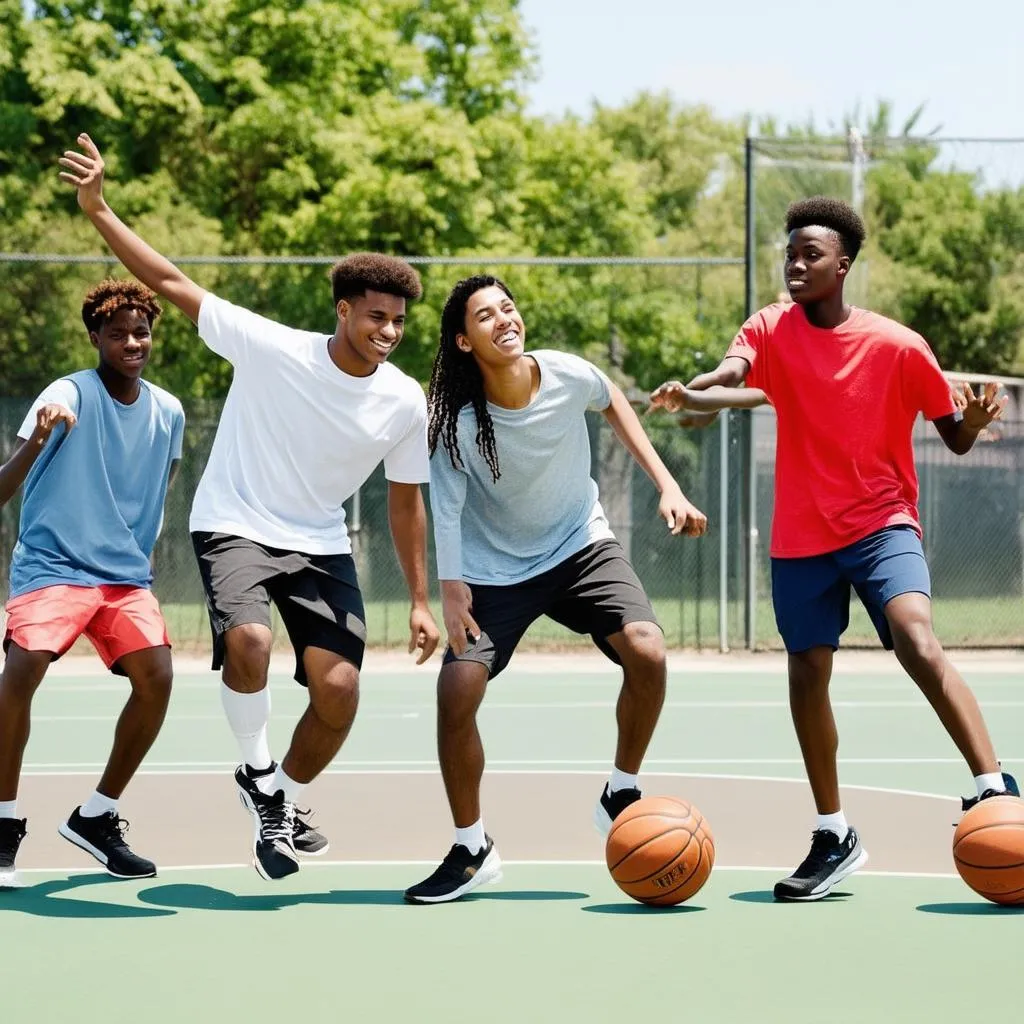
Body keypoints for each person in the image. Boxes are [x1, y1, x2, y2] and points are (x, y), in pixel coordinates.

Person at [59, 133, 441, 882]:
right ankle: (261, 773)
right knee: (252, 648)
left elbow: (405, 503)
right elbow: (168, 281)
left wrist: (421, 600)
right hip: (234, 521)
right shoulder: (271, 348)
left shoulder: (403, 400)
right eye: (375, 317)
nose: (388, 332)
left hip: (319, 541)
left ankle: (279, 798)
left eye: (398, 321)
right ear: (343, 311)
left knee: (339, 692)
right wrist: (99, 208)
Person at [650, 195, 1019, 902]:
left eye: (810, 254)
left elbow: (954, 436)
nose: (795, 263)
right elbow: (732, 375)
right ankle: (833, 833)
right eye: (789, 252)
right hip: (802, 533)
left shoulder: (899, 346)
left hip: (882, 523)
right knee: (806, 672)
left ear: (843, 264)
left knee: (915, 636)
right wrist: (693, 391)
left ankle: (993, 784)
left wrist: (970, 419)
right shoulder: (770, 327)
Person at [404, 275, 707, 904]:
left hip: (578, 545)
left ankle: (621, 785)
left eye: (507, 308)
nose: (503, 320)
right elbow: (449, 512)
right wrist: (451, 591)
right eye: (485, 317)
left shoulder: (567, 374)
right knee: (457, 692)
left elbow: (614, 401)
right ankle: (470, 847)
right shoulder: (456, 425)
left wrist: (667, 485)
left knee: (647, 648)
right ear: (464, 341)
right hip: (495, 571)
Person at [0, 279, 184, 887]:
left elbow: (161, 487)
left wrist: (137, 553)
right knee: (22, 671)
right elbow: (4, 488)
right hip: (53, 565)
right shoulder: (66, 393)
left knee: (156, 676)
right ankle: (3, 820)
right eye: (118, 333)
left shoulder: (169, 410)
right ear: (94, 338)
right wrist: (41, 438)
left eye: (142, 332)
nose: (133, 342)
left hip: (122, 576)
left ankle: (97, 816)